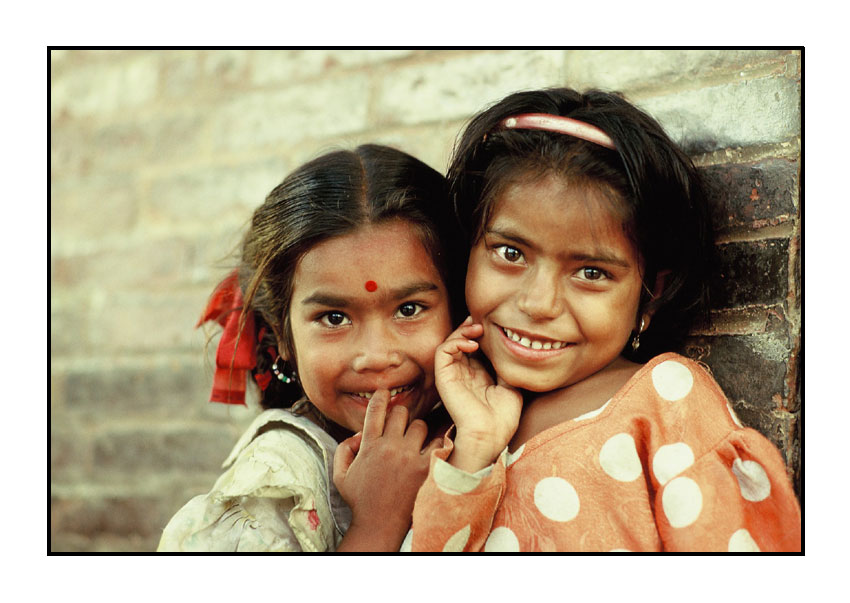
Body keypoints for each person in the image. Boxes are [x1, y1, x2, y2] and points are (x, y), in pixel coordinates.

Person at [407, 88, 802, 552]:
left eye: (591, 272)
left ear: (650, 296)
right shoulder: (449, 427)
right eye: (510, 253)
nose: (538, 303)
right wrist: (473, 450)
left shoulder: (667, 402)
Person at [158, 144, 466, 552]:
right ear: (282, 335)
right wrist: (377, 524)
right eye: (334, 318)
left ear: (460, 308)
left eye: (409, 309)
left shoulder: (477, 426)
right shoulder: (271, 492)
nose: (375, 355)